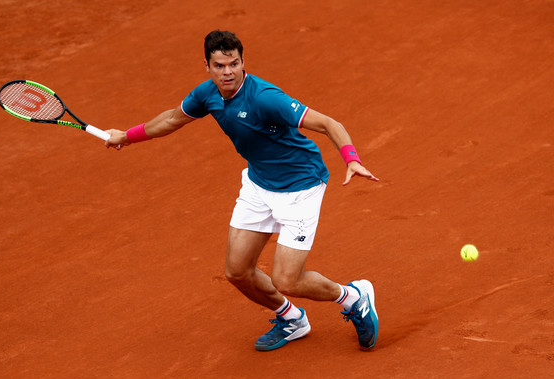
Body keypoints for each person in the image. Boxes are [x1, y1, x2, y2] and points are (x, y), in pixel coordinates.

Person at [105, 30, 379, 351]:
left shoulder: (265, 97)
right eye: (220, 66)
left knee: (287, 279)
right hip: (258, 184)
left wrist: (352, 158)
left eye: (234, 64)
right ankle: (291, 319)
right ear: (207, 66)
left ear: (243, 62)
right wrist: (126, 135)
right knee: (237, 272)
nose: (228, 72)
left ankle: (353, 297)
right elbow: (171, 119)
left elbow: (329, 123)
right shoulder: (207, 94)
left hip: (299, 187)